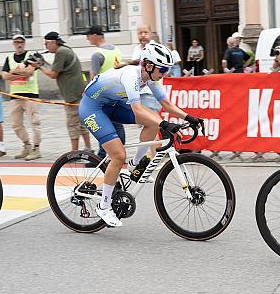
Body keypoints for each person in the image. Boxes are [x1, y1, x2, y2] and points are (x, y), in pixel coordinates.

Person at [78, 41, 205, 228]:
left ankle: (135, 166)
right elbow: (137, 110)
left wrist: (190, 117)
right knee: (118, 155)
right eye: (163, 69)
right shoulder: (131, 75)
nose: (165, 74)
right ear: (149, 65)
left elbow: (167, 105)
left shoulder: (149, 78)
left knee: (152, 119)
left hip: (111, 105)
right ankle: (104, 206)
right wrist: (164, 124)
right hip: (92, 108)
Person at [28, 31, 91, 151]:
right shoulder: (65, 49)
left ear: (53, 42)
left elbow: (53, 74)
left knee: (72, 124)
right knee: (82, 122)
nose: (45, 47)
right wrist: (43, 62)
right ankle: (88, 148)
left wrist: (38, 66)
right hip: (79, 92)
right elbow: (56, 68)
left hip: (72, 95)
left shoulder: (61, 52)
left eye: (46, 44)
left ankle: (74, 153)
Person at [0, 34, 42, 160]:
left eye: (21, 42)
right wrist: (19, 73)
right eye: (17, 42)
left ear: (24, 43)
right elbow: (4, 76)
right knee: (15, 124)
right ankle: (27, 145)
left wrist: (13, 72)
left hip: (30, 95)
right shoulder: (9, 58)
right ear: (13, 43)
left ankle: (36, 148)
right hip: (15, 95)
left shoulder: (31, 56)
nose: (19, 44)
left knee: (35, 122)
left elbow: (29, 72)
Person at [87, 25, 125, 159]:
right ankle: (121, 150)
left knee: (101, 124)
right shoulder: (116, 50)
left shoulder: (97, 54)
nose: (87, 39)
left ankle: (102, 155)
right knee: (117, 122)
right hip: (118, 91)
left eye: (88, 35)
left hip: (103, 94)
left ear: (95, 35)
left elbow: (94, 77)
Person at [130, 24, 162, 113]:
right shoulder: (136, 49)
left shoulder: (155, 48)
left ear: (151, 34)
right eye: (140, 33)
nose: (143, 35)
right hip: (138, 92)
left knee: (152, 123)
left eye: (146, 32)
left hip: (150, 92)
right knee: (145, 124)